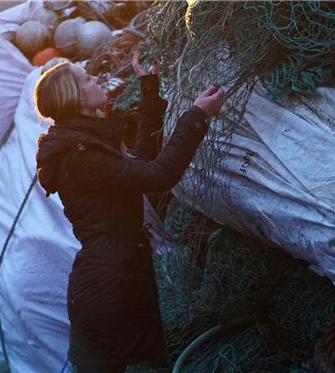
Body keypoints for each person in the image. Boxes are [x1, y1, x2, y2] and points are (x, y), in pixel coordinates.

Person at [34, 52, 225, 373]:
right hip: (107, 287)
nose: (96, 79)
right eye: (87, 79)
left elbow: (141, 163)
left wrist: (148, 90)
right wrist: (195, 116)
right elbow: (158, 176)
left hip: (120, 276)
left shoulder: (84, 144)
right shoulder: (80, 157)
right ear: (77, 97)